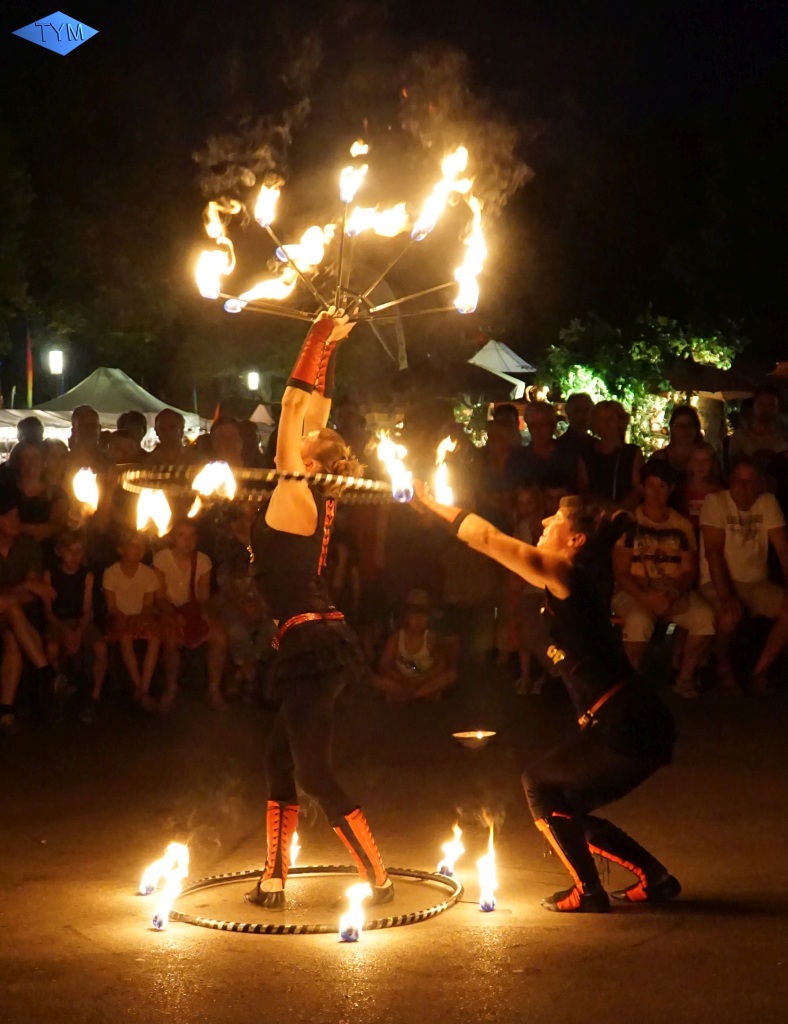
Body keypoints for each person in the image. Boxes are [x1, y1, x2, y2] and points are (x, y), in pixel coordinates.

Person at [413, 485, 679, 914]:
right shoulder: (579, 577)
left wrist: (429, 503)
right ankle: (656, 879)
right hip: (636, 720)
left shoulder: (566, 575)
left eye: (554, 521)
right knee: (567, 807)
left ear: (575, 541)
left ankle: (589, 892)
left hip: (626, 723)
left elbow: (487, 540)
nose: (542, 523)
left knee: (539, 784)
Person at [246, 309, 393, 911]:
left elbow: (291, 409)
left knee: (312, 771)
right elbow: (314, 412)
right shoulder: (316, 490)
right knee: (281, 759)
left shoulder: (293, 488)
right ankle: (274, 878)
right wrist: (330, 345)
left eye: (302, 443)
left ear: (308, 459)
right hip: (315, 639)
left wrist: (312, 336)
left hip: (311, 643)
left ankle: (378, 878)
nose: (297, 435)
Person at [612, 461, 715, 698]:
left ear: (670, 490)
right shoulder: (629, 523)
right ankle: (630, 685)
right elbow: (621, 572)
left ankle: (684, 677)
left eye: (662, 487)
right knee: (638, 621)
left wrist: (673, 593)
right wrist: (645, 596)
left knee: (705, 619)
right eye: (651, 486)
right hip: (634, 591)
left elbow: (688, 571)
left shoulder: (682, 526)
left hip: (670, 592)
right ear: (642, 488)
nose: (656, 493)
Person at [699, 457, 788, 693]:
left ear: (760, 484)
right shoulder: (715, 502)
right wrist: (726, 595)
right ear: (730, 481)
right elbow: (714, 553)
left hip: (756, 582)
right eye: (739, 480)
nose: (744, 486)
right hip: (720, 580)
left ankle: (759, 671)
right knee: (729, 615)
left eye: (751, 481)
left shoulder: (768, 502)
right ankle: (720, 664)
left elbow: (783, 549)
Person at [154, 520, 228, 711]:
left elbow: (203, 596)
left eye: (191, 536)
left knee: (219, 637)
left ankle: (214, 690)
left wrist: (205, 614)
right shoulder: (161, 559)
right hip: (169, 609)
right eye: (181, 535)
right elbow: (159, 596)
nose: (187, 540)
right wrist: (172, 613)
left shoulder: (202, 561)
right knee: (171, 639)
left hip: (192, 608)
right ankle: (171, 688)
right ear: (173, 538)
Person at [0, 491, 58, 734]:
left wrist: (13, 593)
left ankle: (5, 711)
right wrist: (23, 586)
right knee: (11, 609)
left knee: (12, 629)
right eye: (9, 516)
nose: (16, 521)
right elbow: (30, 587)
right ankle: (46, 672)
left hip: (14, 613)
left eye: (17, 516)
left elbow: (35, 592)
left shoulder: (28, 546)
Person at [42, 531, 108, 724]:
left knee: (101, 649)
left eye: (79, 551)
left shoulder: (86, 576)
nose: (75, 556)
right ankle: (58, 693)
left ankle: (94, 697)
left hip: (80, 622)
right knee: (52, 648)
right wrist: (65, 631)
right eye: (69, 551)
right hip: (58, 622)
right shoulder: (50, 574)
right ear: (59, 552)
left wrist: (78, 632)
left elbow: (87, 610)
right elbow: (48, 611)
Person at [103, 529, 161, 710]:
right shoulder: (111, 573)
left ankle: (143, 688)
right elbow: (111, 606)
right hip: (119, 617)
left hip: (141, 616)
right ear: (121, 549)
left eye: (141, 546)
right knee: (126, 637)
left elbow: (148, 604)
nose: (137, 550)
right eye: (132, 546)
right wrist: (125, 618)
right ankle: (139, 686)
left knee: (155, 637)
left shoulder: (148, 573)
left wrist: (141, 618)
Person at [373, 589, 457, 701]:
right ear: (406, 616)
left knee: (451, 676)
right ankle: (417, 694)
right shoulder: (396, 638)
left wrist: (420, 680)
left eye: (422, 614)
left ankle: (415, 695)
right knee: (377, 681)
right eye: (414, 613)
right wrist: (401, 678)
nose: (418, 619)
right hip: (401, 681)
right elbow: (385, 665)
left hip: (425, 680)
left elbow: (441, 665)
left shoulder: (431, 638)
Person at [506, 402, 587, 495]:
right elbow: (511, 493)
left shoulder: (569, 454)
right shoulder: (518, 458)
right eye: (534, 425)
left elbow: (582, 488)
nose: (539, 430)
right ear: (529, 427)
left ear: (553, 426)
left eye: (544, 424)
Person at [585, 400, 643, 510]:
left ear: (620, 421)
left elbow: (638, 488)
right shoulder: (587, 453)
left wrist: (618, 509)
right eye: (602, 419)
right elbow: (584, 488)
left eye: (610, 419)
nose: (606, 423)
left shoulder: (632, 452)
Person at [728, 384, 787, 461]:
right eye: (761, 404)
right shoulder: (740, 438)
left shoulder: (785, 435)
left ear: (777, 408)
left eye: (771, 405)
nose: (766, 410)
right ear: (754, 406)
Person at [556, 392, 594, 465]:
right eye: (577, 411)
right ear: (568, 413)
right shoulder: (559, 448)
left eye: (587, 410)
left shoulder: (597, 446)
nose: (582, 415)